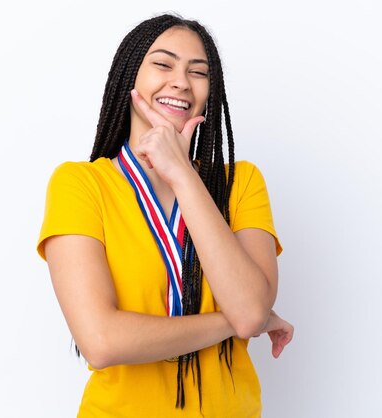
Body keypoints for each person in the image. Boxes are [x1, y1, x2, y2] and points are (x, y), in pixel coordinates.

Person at [37, 13, 294, 417]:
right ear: (129, 77)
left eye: (198, 72)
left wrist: (182, 175)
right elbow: (102, 341)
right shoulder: (81, 185)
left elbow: (250, 310)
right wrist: (239, 320)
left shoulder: (241, 182)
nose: (181, 81)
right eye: (163, 64)